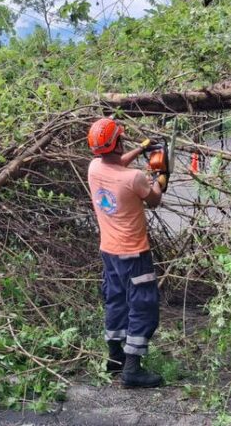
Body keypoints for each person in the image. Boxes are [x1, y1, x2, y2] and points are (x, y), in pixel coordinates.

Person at [87, 118, 167, 388]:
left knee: (116, 300)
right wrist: (161, 177)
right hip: (134, 254)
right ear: (118, 142)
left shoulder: (94, 168)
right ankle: (132, 369)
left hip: (109, 252)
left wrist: (143, 148)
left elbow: (115, 162)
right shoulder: (134, 178)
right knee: (143, 306)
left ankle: (115, 357)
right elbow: (154, 199)